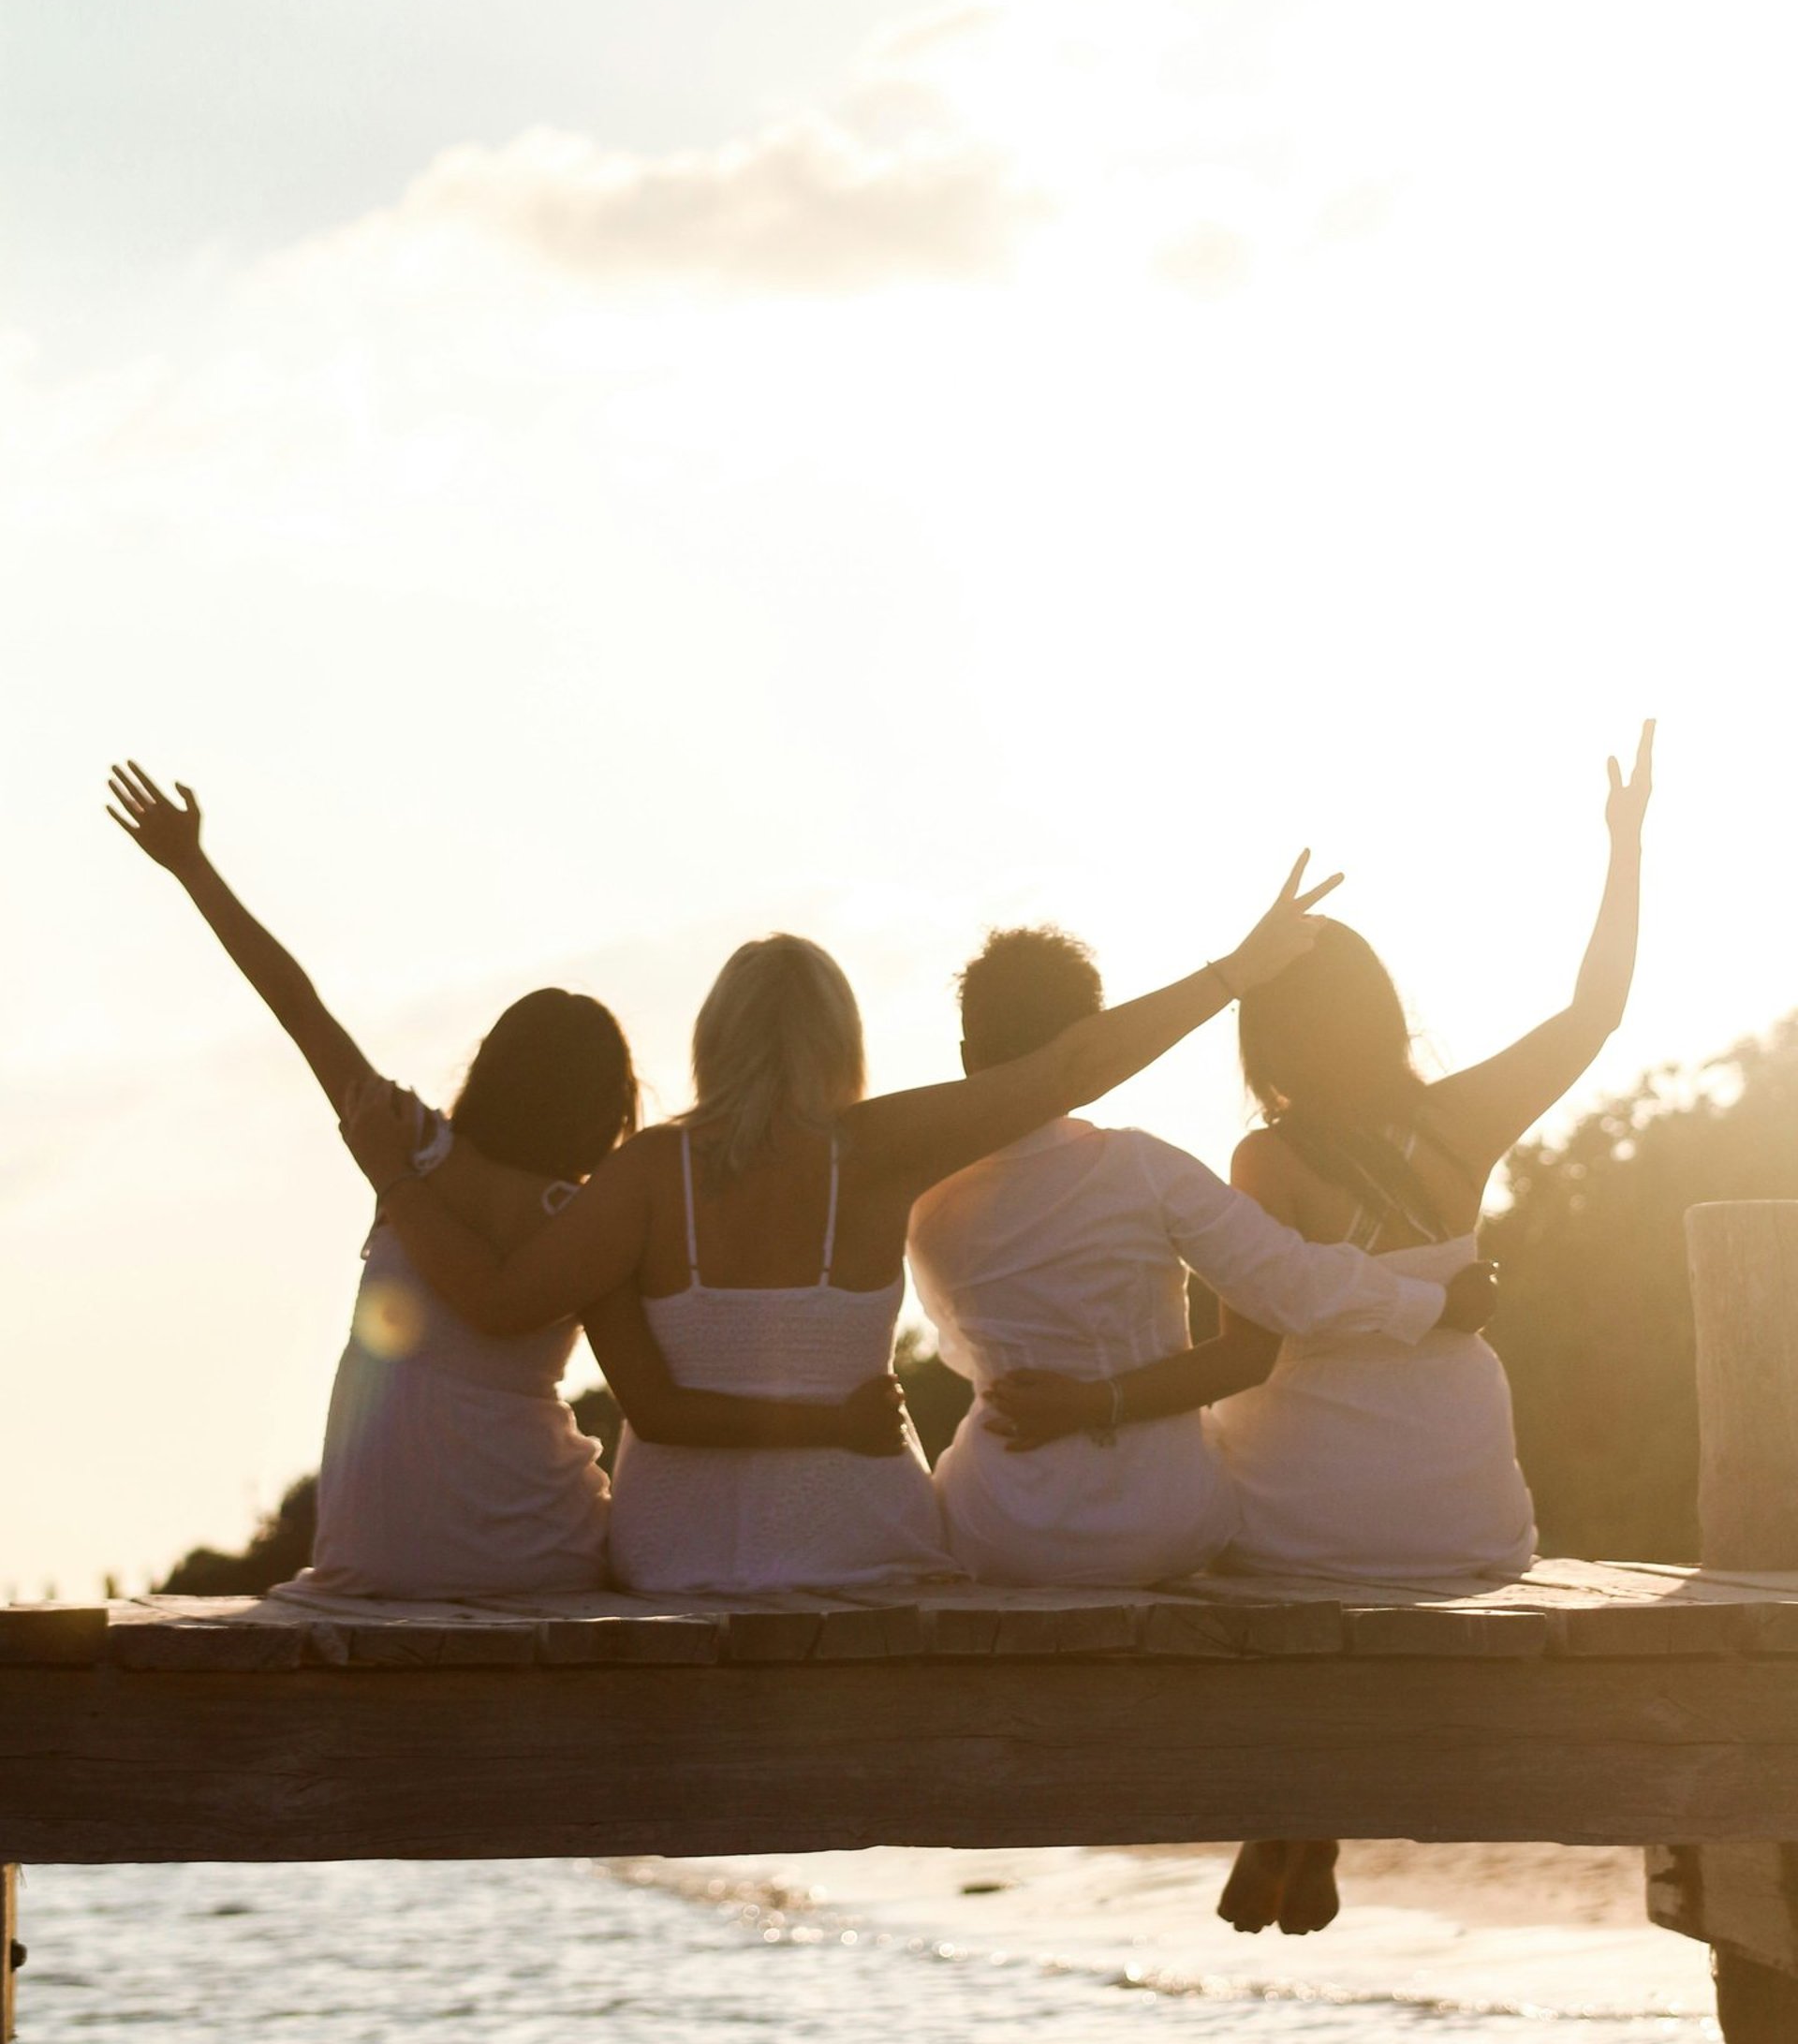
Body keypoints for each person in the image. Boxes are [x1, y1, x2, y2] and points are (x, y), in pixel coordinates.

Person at [983, 724, 1655, 1932]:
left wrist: (1084, 1406)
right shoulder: (1463, 1124)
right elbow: (1597, 1008)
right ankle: (1301, 1826)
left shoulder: (1267, 1158)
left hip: (1304, 1531)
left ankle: (1289, 1813)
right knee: (1347, 1530)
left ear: (1271, 1041)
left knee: (1230, 1528)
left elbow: (1246, 1353)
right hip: (1468, 1521)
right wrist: (1627, 843)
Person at [337, 856, 1352, 1595]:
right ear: (841, 1040)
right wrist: (1235, 974)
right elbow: (1065, 1072)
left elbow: (502, 1301)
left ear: (712, 1040)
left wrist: (403, 1181)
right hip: (862, 1548)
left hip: (672, 1559)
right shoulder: (877, 1150)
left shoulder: (647, 1171)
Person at [106, 763, 905, 1600]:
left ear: (491, 1067)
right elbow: (660, 1397)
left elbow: (298, 1006)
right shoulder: (593, 1216)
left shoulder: (409, 1150)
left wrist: (194, 869)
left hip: (372, 1562)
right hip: (539, 1549)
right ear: (606, 1109)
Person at [907, 932, 1497, 1588]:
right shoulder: (1147, 1169)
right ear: (1102, 1042)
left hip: (1002, 1528)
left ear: (967, 1057)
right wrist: (1436, 1302)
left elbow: (958, 1352)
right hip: (1166, 1526)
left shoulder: (925, 1196)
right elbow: (1292, 1284)